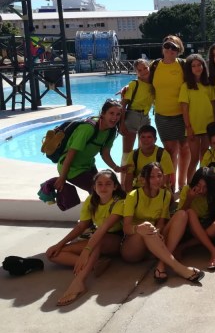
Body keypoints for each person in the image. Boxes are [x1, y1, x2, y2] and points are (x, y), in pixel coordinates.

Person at [46, 169, 126, 307]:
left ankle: (79, 282)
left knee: (97, 240)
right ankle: (96, 264)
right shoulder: (91, 200)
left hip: (115, 241)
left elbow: (104, 228)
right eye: (99, 184)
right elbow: (81, 226)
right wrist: (59, 244)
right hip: (96, 237)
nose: (103, 187)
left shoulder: (119, 203)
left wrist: (86, 251)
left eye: (108, 184)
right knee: (52, 254)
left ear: (115, 186)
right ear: (94, 187)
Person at [120, 162, 204, 284]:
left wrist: (158, 231)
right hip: (133, 247)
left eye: (159, 176)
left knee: (182, 214)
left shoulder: (165, 195)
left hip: (153, 242)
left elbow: (161, 222)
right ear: (143, 180)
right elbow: (126, 228)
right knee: (148, 227)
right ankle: (179, 268)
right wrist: (139, 228)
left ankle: (161, 265)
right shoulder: (133, 196)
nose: (157, 180)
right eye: (151, 177)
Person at [42, 98, 123, 199]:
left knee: (116, 190)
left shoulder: (111, 131)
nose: (115, 117)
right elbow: (71, 154)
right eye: (111, 113)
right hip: (72, 169)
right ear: (103, 113)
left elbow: (105, 154)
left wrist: (116, 168)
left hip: (88, 166)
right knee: (98, 192)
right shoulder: (88, 129)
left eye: (118, 114)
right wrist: (62, 177)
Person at [149, 35, 189, 192]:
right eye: (167, 45)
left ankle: (183, 184)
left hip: (183, 115)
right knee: (171, 151)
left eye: (174, 47)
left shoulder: (183, 65)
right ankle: (171, 186)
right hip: (163, 116)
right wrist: (128, 88)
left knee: (185, 149)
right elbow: (144, 81)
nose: (170, 49)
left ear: (179, 51)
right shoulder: (154, 65)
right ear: (162, 47)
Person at [177, 166, 215, 270]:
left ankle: (184, 246)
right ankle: (213, 250)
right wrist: (189, 199)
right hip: (189, 226)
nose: (201, 190)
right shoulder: (187, 190)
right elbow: (179, 214)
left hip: (206, 224)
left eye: (205, 187)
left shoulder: (214, 193)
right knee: (190, 212)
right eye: (198, 185)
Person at [179, 53, 215, 183]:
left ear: (203, 66)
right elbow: (184, 109)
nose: (197, 68)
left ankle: (203, 184)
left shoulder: (208, 85)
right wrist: (188, 127)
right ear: (189, 69)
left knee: (204, 158)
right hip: (194, 127)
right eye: (193, 66)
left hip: (208, 126)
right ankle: (190, 185)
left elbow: (213, 105)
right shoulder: (186, 86)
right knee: (194, 159)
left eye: (199, 65)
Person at [119, 59, 153, 182]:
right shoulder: (134, 84)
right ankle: (123, 182)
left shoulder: (153, 85)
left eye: (145, 68)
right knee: (127, 153)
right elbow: (123, 105)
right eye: (139, 70)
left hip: (145, 117)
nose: (143, 71)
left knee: (143, 151)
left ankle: (139, 180)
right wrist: (121, 124)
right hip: (132, 116)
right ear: (136, 72)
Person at [122, 125, 174, 192]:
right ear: (139, 139)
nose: (146, 140)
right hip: (139, 189)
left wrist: (151, 195)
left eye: (149, 137)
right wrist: (130, 195)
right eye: (143, 137)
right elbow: (128, 181)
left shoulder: (163, 154)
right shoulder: (134, 154)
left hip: (159, 190)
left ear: (155, 139)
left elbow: (165, 181)